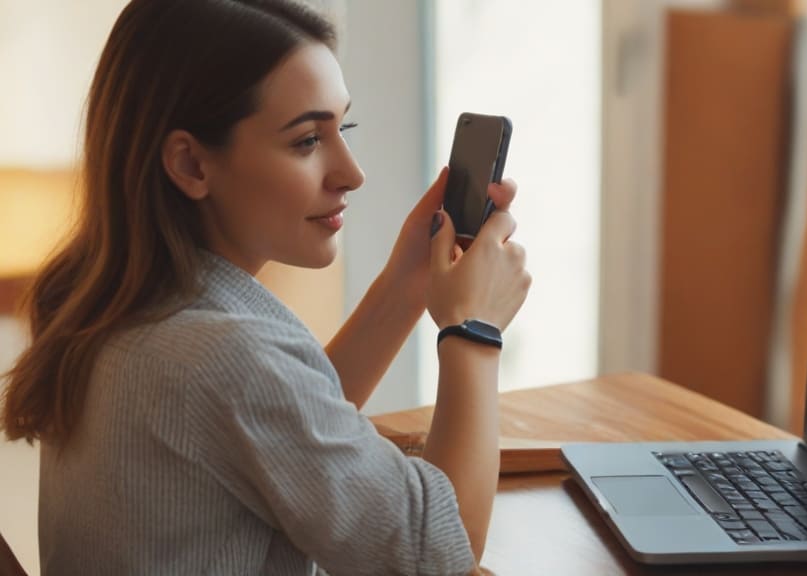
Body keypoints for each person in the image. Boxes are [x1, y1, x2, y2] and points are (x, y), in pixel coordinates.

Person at [0, 0, 530, 574]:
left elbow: (282, 432)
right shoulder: (224, 355)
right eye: (307, 140)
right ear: (191, 166)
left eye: (342, 126)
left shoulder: (115, 306)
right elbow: (438, 552)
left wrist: (406, 286)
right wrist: (473, 330)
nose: (352, 173)